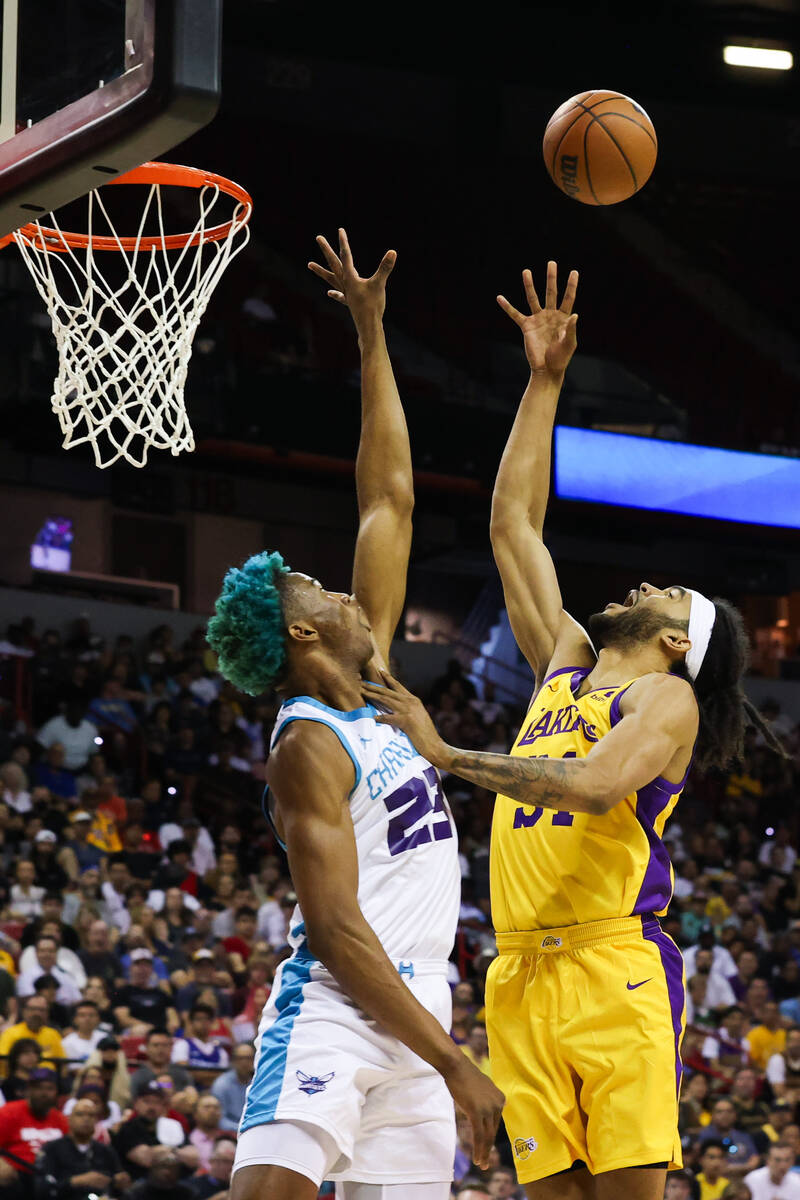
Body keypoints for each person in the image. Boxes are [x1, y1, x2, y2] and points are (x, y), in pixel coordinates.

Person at [361, 263, 783, 1199]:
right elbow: (515, 524)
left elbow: (593, 788)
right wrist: (543, 382)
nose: (641, 584)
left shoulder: (664, 704)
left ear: (678, 641)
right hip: (518, 972)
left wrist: (447, 755)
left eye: (664, 593)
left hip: (611, 967)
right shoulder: (568, 661)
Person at [209, 230, 501, 1200]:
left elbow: (388, 497)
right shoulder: (306, 744)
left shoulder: (374, 700)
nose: (340, 592)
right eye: (317, 592)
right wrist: (455, 1062)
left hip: (422, 1007)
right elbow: (334, 929)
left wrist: (371, 335)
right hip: (341, 1006)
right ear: (301, 637)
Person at [33, 1095, 129, 1200]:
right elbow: (41, 1188)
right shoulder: (52, 1149)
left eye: (91, 1115)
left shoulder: (106, 1151)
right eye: (80, 1114)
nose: (86, 1119)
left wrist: (119, 1182)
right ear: (69, 1119)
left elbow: (119, 1182)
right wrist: (74, 1181)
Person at [0, 1069, 68, 1196]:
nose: (44, 1093)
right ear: (28, 1090)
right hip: (18, 1177)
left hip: (52, 1177)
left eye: (49, 1089)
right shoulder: (9, 1112)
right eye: (38, 1088)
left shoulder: (61, 1120)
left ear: (56, 1092)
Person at [0, 995, 65, 1070]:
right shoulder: (10, 1032)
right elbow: (4, 1059)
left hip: (49, 1078)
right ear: (24, 1011)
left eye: (42, 1010)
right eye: (33, 1009)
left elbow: (63, 1062)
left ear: (47, 1014)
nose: (37, 1013)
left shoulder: (53, 1034)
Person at [121, 1146, 194, 1200]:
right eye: (162, 1166)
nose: (167, 1172)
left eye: (172, 1168)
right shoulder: (134, 1195)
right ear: (152, 1167)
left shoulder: (187, 1194)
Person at [210, 1043, 253, 1131]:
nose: (244, 1062)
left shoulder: (257, 1082)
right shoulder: (221, 1084)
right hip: (229, 1132)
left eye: (248, 1058)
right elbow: (220, 1119)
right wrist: (243, 1129)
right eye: (240, 1058)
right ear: (233, 1061)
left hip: (252, 1128)